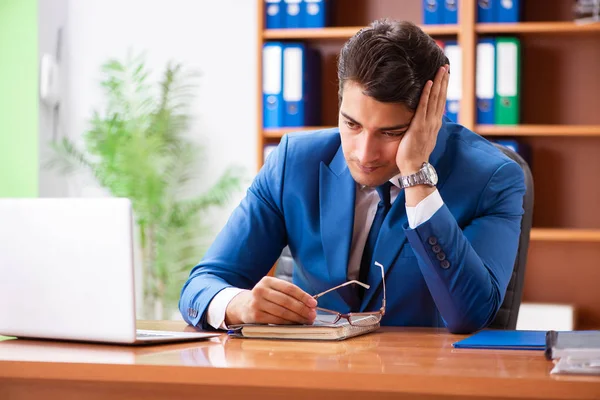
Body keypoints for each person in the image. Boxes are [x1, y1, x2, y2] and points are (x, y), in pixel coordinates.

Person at [179, 19, 526, 334]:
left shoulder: (492, 179)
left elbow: (470, 315)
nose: (364, 153)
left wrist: (417, 176)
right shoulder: (293, 162)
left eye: (391, 133)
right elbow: (202, 285)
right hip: (311, 378)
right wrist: (238, 305)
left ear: (430, 113)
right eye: (352, 124)